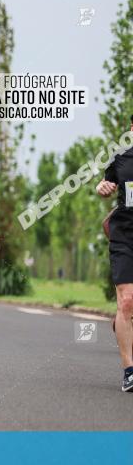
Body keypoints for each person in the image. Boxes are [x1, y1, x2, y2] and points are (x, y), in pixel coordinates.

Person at [96, 115, 133, 392]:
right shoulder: (121, 157)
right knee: (128, 300)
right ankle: (129, 371)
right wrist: (102, 187)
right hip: (125, 235)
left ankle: (123, 318)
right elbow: (105, 185)